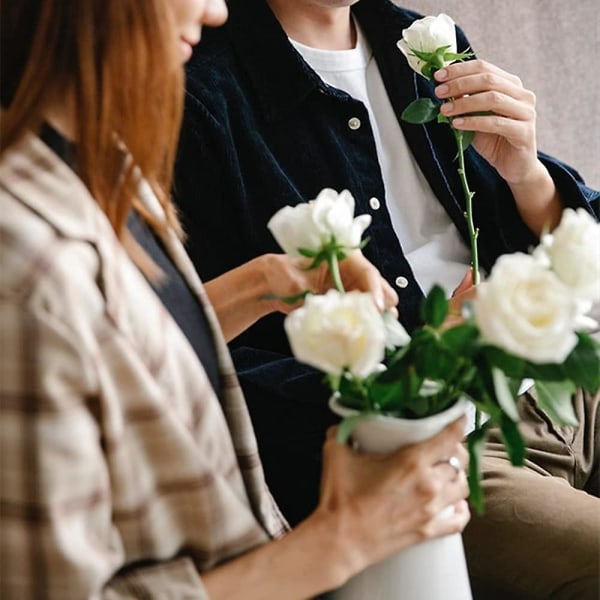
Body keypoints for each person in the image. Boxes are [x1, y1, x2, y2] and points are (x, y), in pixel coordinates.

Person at [0, 1, 471, 598]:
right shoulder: (25, 271)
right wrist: (345, 537)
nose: (217, 9)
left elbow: (116, 355)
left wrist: (265, 283)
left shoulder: (102, 166)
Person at [173, 0, 600, 598]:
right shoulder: (199, 94)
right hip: (435, 449)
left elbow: (547, 239)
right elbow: (199, 357)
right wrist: (429, 360)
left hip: (569, 375)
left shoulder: (422, 42)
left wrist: (526, 174)